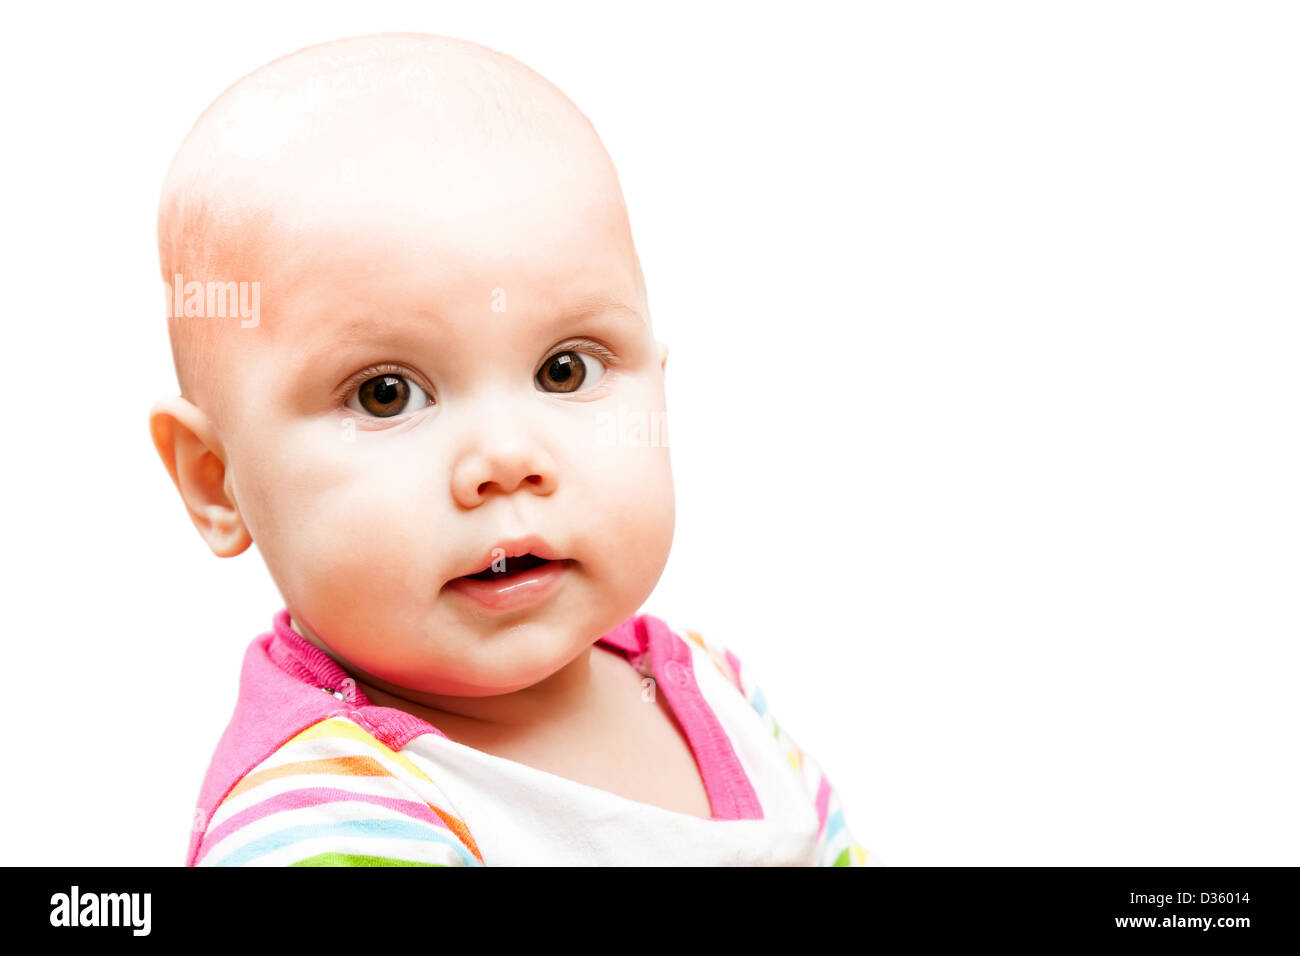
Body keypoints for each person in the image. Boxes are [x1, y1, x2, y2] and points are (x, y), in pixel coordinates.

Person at [150, 32, 875, 866]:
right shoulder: (326, 819)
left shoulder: (716, 693)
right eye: (386, 394)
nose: (506, 457)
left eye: (564, 371)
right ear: (217, 481)